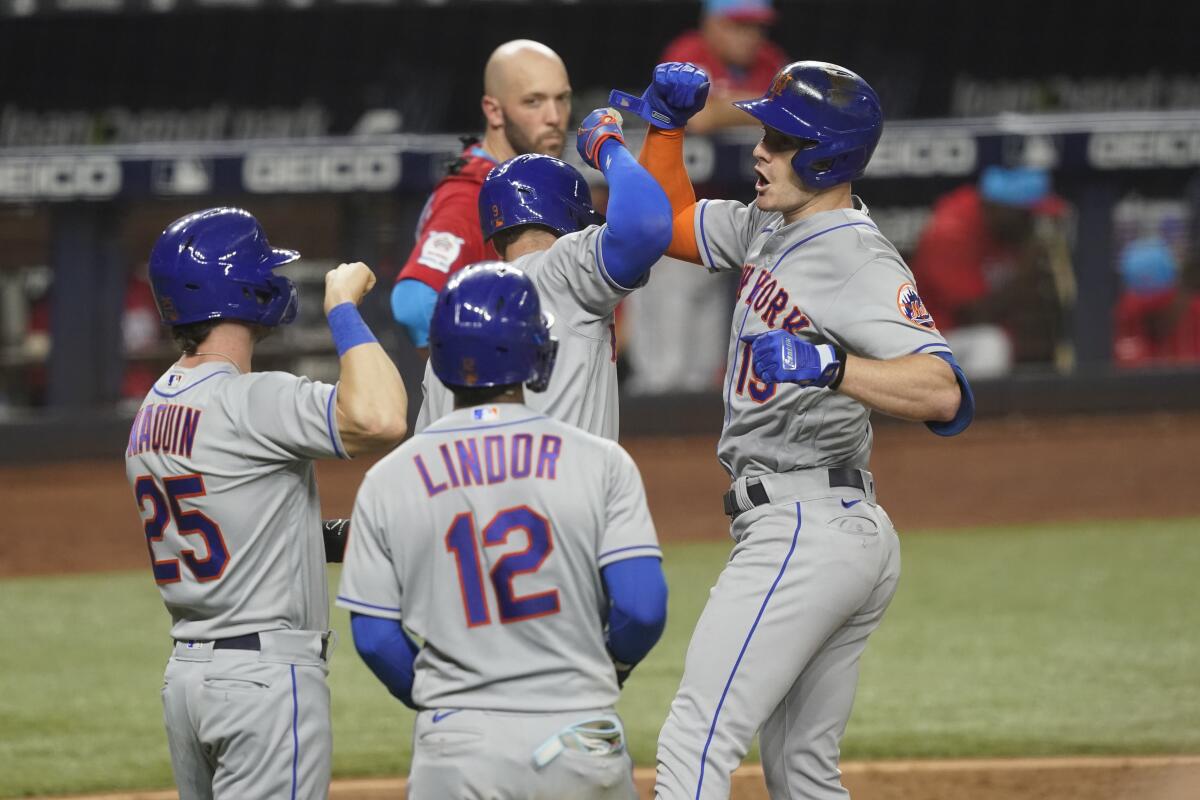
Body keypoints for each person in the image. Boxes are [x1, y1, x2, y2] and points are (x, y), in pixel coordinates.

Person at [628, 61, 975, 798]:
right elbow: (669, 226)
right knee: (802, 773)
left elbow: (942, 391)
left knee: (696, 739)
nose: (761, 150)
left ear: (827, 157)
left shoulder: (855, 255)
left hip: (806, 528)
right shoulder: (771, 224)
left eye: (781, 140)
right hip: (822, 528)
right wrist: (664, 129)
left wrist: (832, 366)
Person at [336, 262, 668, 799]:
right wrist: (610, 667)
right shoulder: (601, 462)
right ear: (536, 353)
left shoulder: (388, 479)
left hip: (458, 747)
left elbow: (375, 639)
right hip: (576, 730)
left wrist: (443, 700)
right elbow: (643, 608)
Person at [124, 207, 408, 800]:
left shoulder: (153, 409)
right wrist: (344, 310)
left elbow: (235, 515)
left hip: (188, 681)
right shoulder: (249, 400)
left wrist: (331, 537)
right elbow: (381, 418)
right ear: (243, 289)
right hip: (264, 683)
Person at [415, 106, 672, 439]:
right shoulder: (565, 271)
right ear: (575, 223)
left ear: (496, 239)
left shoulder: (455, 318)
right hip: (565, 487)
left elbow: (425, 454)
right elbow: (647, 226)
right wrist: (606, 144)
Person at [391, 39, 573, 350]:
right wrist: (501, 359)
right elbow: (414, 304)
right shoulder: (470, 193)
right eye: (533, 102)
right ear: (494, 111)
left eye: (563, 98)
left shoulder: (528, 184)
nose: (555, 116)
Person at [911, 165, 1072, 377]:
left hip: (971, 337)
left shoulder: (1008, 231)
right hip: (928, 342)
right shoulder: (950, 232)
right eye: (1029, 215)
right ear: (1002, 209)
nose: (1034, 224)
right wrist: (1025, 272)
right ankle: (981, 410)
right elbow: (974, 315)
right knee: (991, 344)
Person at [659, 0, 788, 133]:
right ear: (711, 24)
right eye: (740, 26)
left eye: (758, 28)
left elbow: (793, 114)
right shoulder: (688, 52)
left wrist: (721, 106)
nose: (751, 36)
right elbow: (695, 117)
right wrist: (768, 106)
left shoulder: (770, 59)